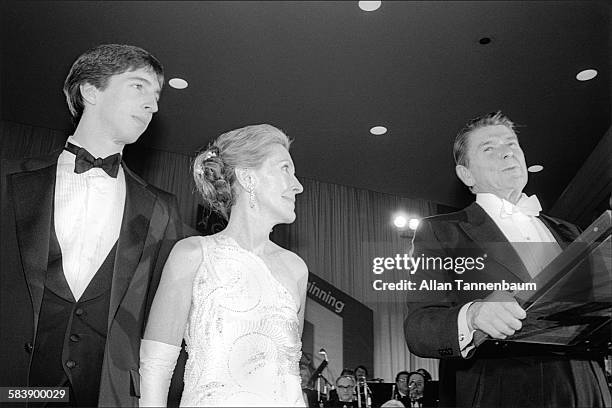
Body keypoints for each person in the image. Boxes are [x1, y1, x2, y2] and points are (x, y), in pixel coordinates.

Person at [0, 44, 186, 406]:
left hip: (109, 396)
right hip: (14, 392)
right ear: (90, 91)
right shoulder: (6, 179)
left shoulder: (163, 208)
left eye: (157, 95)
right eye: (139, 87)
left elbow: (163, 321)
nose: (154, 105)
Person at [404, 111, 612, 407]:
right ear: (467, 175)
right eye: (489, 148)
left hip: (588, 386)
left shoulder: (572, 231)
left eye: (512, 144)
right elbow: (418, 327)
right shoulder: (440, 231)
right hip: (503, 390)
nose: (507, 153)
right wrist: (473, 315)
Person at [139, 124, 308, 406]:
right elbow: (155, 369)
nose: (297, 185)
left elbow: (290, 375)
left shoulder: (296, 269)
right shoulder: (192, 255)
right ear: (247, 177)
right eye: (284, 169)